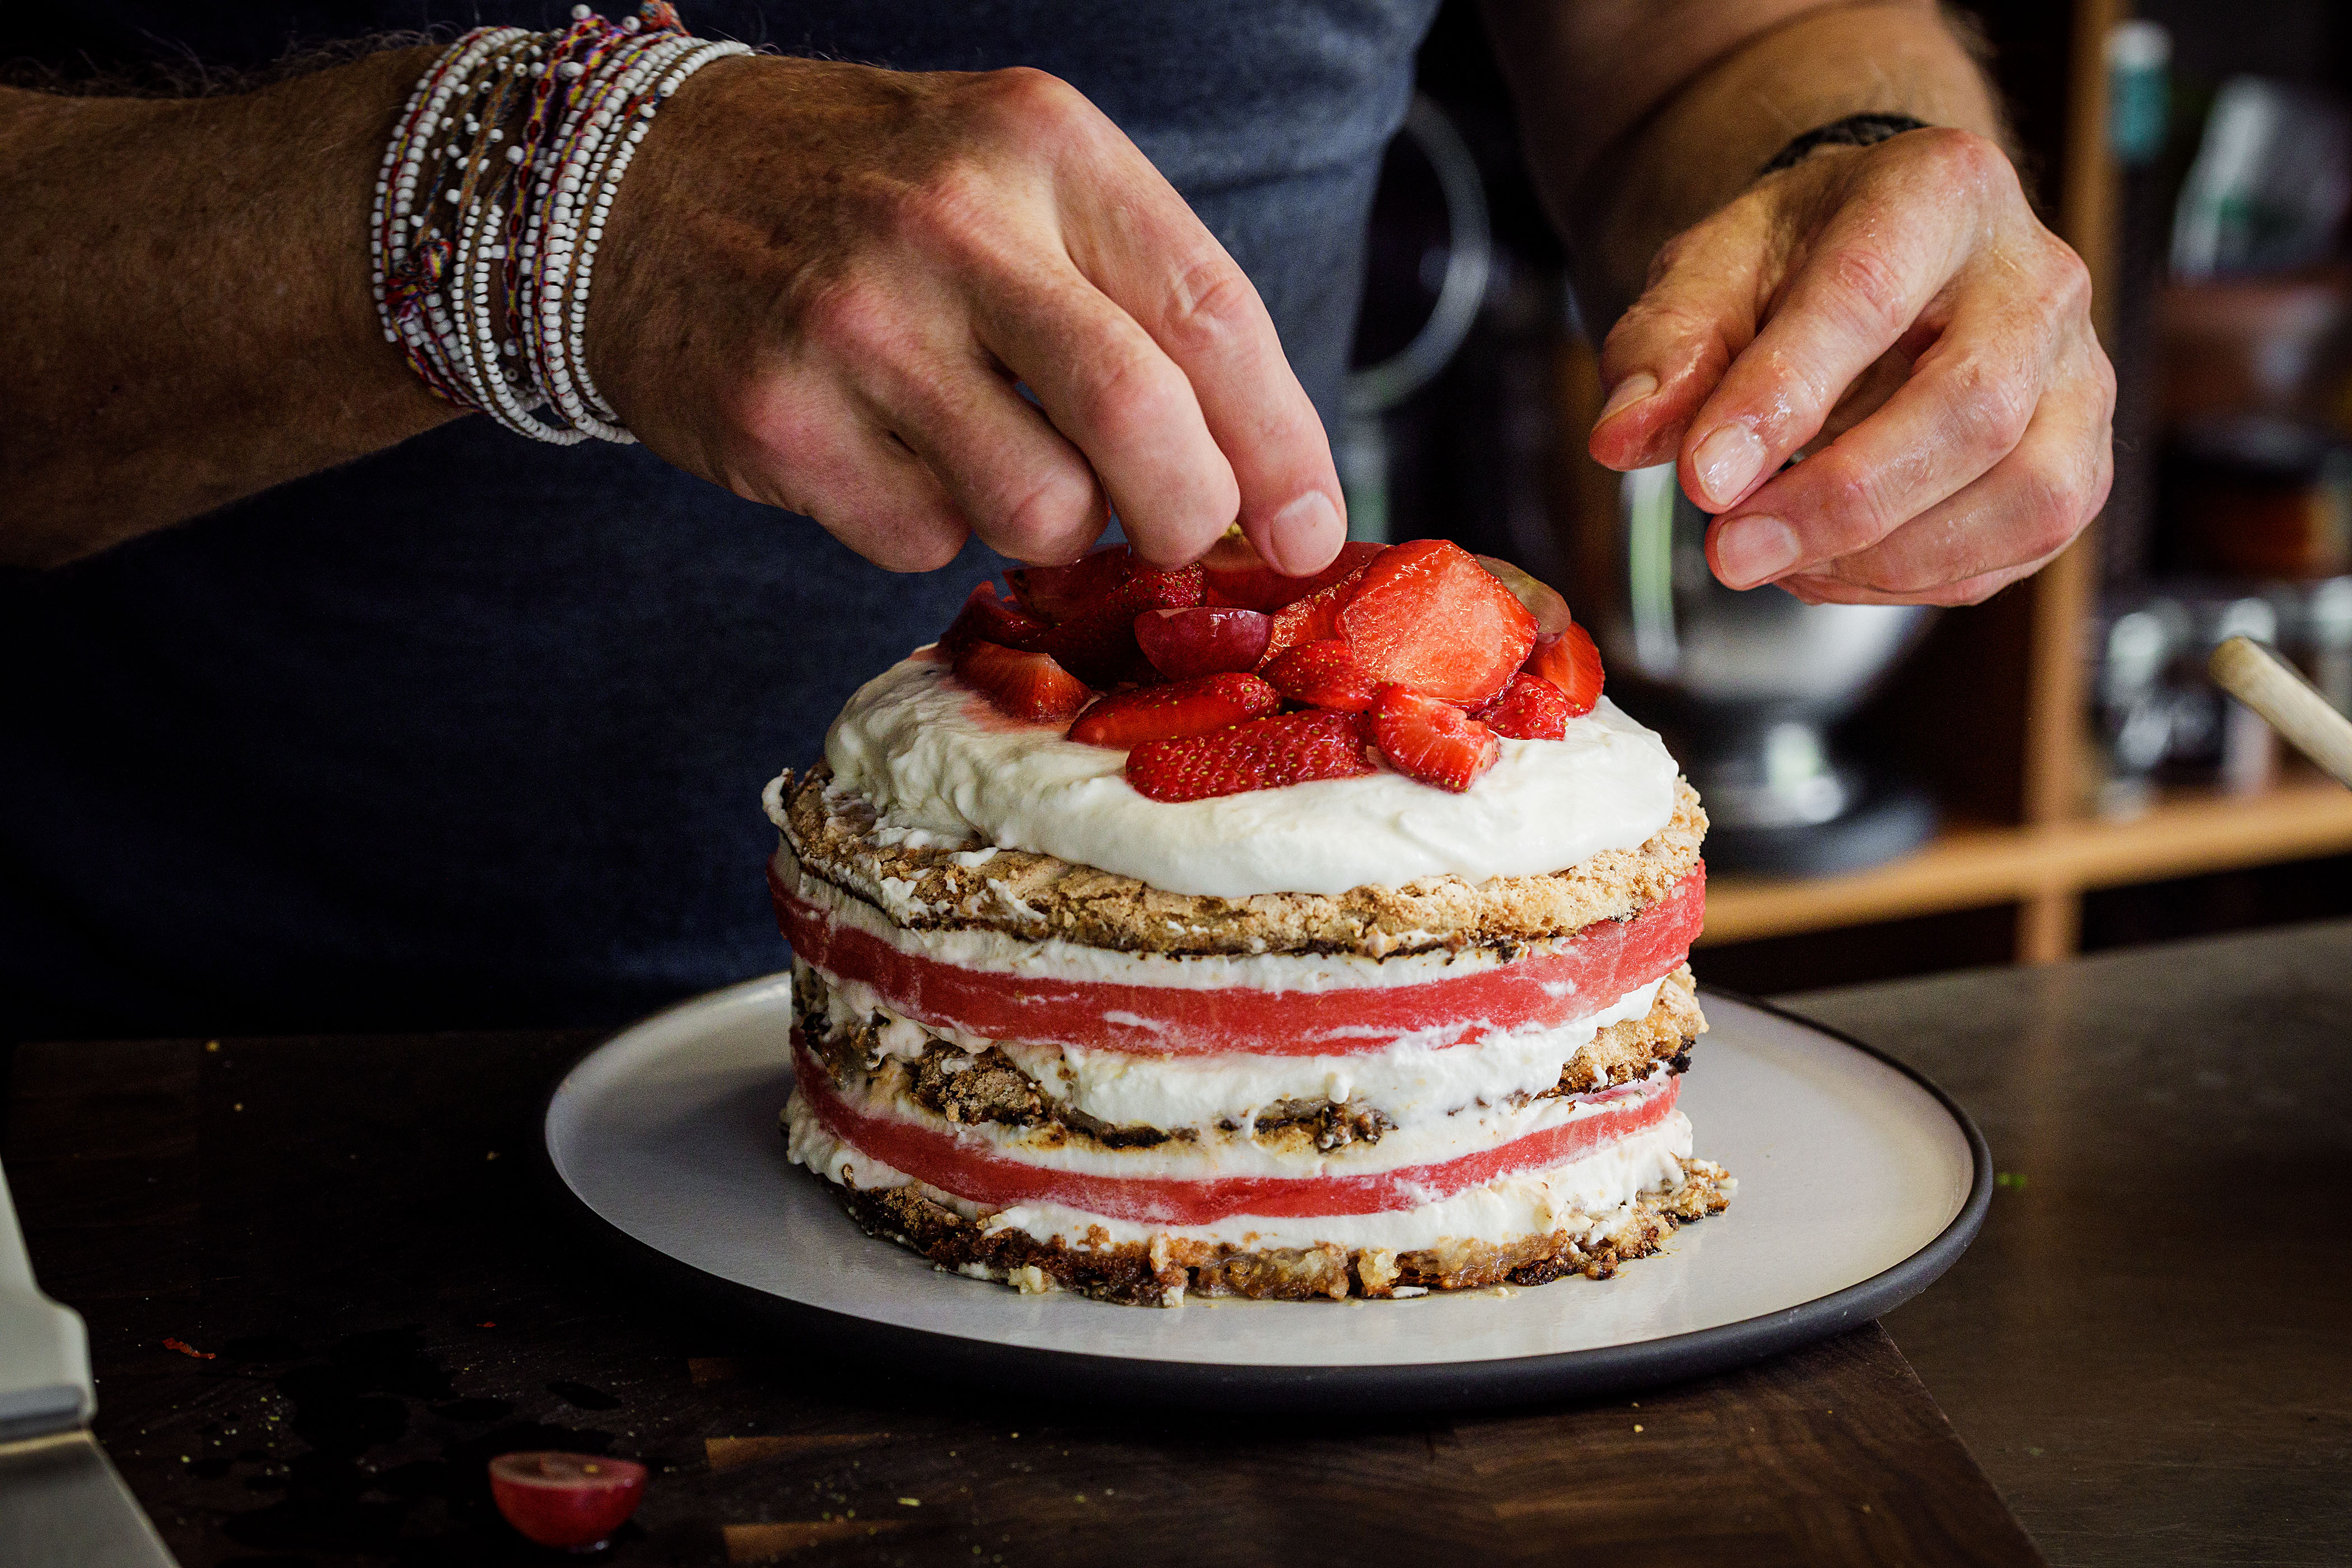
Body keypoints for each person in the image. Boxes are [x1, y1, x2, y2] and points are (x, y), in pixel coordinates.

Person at [0, 1, 2112, 1040]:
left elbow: (1703, 34)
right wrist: (523, 199)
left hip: (1264, 1087)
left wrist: (1850, 160)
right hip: (180, 1077)